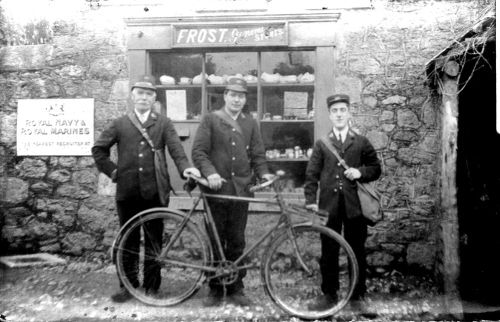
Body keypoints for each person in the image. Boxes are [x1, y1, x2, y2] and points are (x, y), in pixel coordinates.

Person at [92, 75, 200, 303]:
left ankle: (152, 288)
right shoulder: (120, 123)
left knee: (153, 241)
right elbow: (98, 149)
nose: (143, 97)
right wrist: (113, 172)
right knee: (128, 241)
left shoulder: (163, 123)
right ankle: (127, 287)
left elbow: (176, 150)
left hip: (155, 192)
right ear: (132, 96)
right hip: (128, 192)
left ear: (154, 98)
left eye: (148, 94)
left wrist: (186, 170)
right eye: (139, 93)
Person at [191, 77, 273, 307]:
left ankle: (236, 288)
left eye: (241, 96)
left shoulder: (249, 122)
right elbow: (198, 152)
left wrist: (264, 173)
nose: (237, 99)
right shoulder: (211, 119)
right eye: (233, 95)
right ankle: (216, 288)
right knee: (216, 239)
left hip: (240, 191)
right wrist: (210, 173)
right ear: (225, 96)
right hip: (216, 191)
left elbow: (257, 153)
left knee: (237, 240)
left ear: (245, 99)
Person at [304, 93, 381, 310]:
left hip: (354, 207)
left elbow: (376, 168)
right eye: (335, 111)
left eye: (342, 110)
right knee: (328, 251)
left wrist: (360, 172)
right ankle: (329, 295)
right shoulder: (322, 144)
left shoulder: (361, 141)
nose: (339, 114)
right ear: (330, 115)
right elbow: (311, 175)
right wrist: (311, 201)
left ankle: (358, 297)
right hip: (328, 208)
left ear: (349, 113)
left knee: (357, 250)